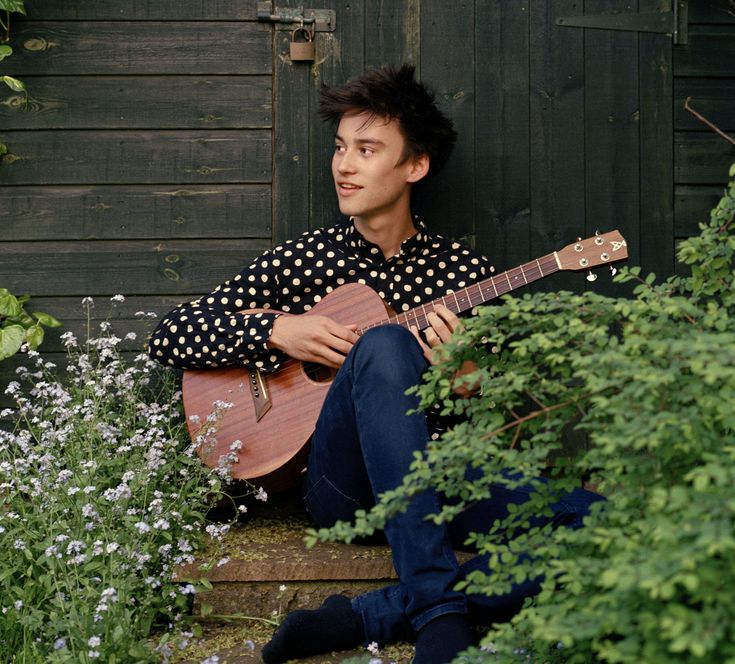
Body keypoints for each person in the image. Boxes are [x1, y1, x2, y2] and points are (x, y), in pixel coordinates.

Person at [149, 64, 602, 664]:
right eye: (340, 148)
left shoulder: (465, 275)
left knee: (597, 520)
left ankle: (372, 613)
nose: (343, 165)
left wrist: (466, 383)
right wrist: (279, 328)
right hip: (342, 483)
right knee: (384, 344)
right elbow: (170, 335)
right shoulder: (301, 260)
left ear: (414, 166)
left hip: (441, 478)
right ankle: (440, 615)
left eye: (366, 149)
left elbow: (492, 404)